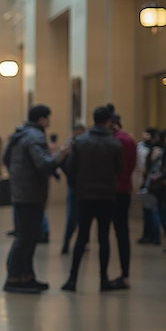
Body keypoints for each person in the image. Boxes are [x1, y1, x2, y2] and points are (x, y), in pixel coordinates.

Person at [2, 104, 69, 293]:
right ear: (41, 119)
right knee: (25, 238)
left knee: (28, 237)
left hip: (20, 191)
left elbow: (6, 159)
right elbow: (44, 164)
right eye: (48, 118)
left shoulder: (18, 135)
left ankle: (27, 276)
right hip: (32, 193)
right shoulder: (36, 137)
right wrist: (60, 154)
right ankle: (14, 278)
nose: (49, 122)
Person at [61, 106, 124, 292]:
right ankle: (103, 280)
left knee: (82, 237)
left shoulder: (80, 142)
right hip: (106, 196)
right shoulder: (114, 144)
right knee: (104, 238)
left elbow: (71, 167)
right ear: (108, 121)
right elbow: (120, 169)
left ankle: (72, 279)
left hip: (85, 196)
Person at [109, 111, 137, 287]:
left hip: (111, 190)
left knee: (106, 232)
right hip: (124, 189)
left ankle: (105, 275)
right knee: (122, 232)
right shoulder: (129, 140)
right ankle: (125, 272)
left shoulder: (115, 141)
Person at [60, 123, 86, 254]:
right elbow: (65, 165)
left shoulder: (83, 145)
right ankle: (66, 243)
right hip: (75, 186)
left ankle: (81, 244)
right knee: (72, 218)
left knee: (82, 219)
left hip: (82, 187)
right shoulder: (70, 146)